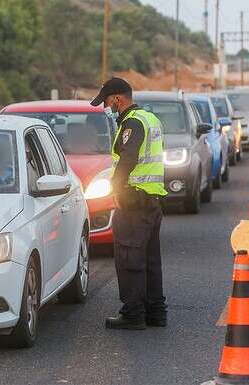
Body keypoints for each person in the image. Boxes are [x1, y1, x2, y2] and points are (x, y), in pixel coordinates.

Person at [91, 77, 168, 330]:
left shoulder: (131, 124)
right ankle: (156, 312)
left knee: (129, 258)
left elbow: (127, 159)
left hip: (134, 202)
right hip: (152, 200)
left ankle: (133, 314)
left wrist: (115, 188)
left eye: (108, 102)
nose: (108, 107)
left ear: (118, 99)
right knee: (150, 260)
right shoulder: (150, 119)